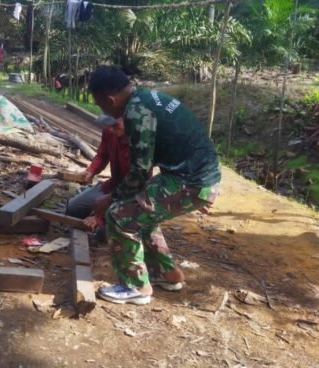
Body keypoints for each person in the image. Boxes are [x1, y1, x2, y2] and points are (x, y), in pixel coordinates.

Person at [88, 66, 221, 306]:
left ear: (110, 99)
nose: (104, 111)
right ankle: (167, 274)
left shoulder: (137, 111)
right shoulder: (147, 97)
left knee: (119, 216)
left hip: (190, 180)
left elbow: (140, 170)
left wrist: (111, 198)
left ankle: (134, 287)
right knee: (140, 214)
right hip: (192, 175)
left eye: (101, 105)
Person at [65, 114, 147, 241]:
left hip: (133, 196)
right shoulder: (110, 130)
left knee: (103, 233)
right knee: (72, 209)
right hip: (112, 186)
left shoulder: (141, 144)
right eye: (109, 126)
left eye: (115, 126)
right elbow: (102, 154)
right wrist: (91, 170)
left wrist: (100, 217)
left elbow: (134, 187)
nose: (111, 130)